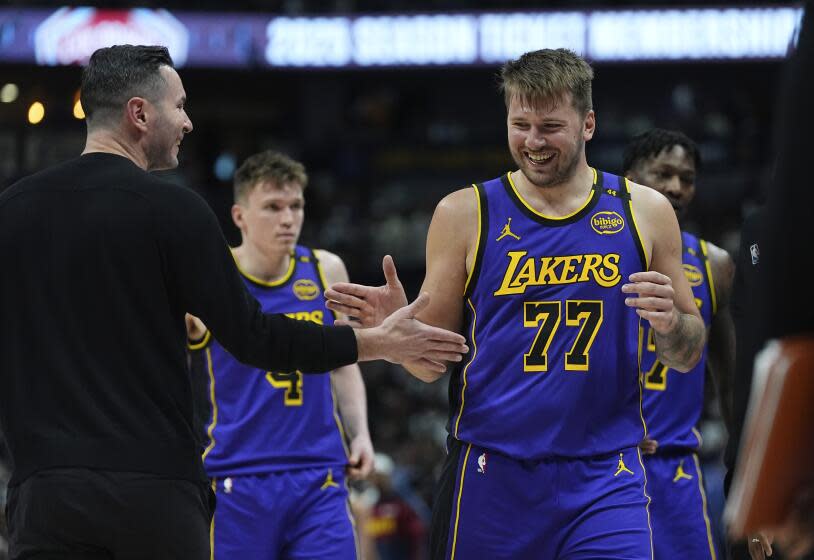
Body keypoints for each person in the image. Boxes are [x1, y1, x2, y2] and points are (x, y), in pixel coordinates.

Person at [0, 44, 467, 559]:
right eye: (179, 106)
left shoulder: (12, 212)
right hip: (155, 494)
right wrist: (376, 342)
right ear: (139, 113)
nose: (189, 122)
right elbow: (256, 337)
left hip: (44, 494)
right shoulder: (174, 209)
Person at [326, 48, 706, 559]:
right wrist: (398, 339)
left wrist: (670, 326)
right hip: (491, 473)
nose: (532, 141)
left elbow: (687, 351)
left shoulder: (647, 212)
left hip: (605, 476)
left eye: (550, 126)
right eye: (519, 123)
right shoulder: (464, 213)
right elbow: (430, 368)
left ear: (588, 124)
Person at [185, 150, 374, 559]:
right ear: (239, 216)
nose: (288, 219)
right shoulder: (212, 278)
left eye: (296, 206)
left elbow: (345, 364)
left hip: (319, 473)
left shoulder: (325, 270)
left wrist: (360, 433)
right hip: (236, 476)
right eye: (273, 207)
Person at [623, 128, 735, 559]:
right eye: (663, 173)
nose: (675, 187)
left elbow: (729, 381)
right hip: (597, 459)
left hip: (674, 465)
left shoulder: (715, 264)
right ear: (631, 178)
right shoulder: (587, 254)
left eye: (686, 178)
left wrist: (740, 469)